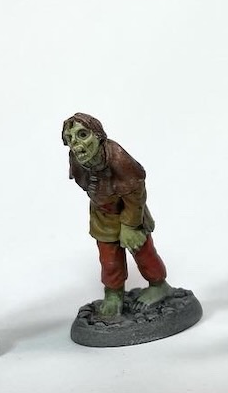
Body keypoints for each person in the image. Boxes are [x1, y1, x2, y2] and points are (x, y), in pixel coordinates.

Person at [61, 112, 173, 317]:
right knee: (109, 258)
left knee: (143, 251)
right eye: (70, 139)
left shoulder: (119, 158)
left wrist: (130, 225)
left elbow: (136, 191)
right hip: (102, 213)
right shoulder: (76, 158)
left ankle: (159, 285)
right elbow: (83, 182)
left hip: (129, 210)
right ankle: (113, 293)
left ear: (98, 135)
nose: (76, 144)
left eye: (83, 135)